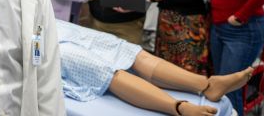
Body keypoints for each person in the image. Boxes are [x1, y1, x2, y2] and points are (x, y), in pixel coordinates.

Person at [58, 20, 253, 116]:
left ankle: (207, 85)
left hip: (57, 27)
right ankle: (179, 107)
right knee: (98, 69)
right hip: (39, 43)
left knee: (126, 50)